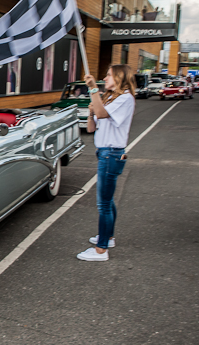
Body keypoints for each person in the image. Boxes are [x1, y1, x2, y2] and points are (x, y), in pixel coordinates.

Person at [77, 65, 136, 262]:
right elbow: (92, 128)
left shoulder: (125, 98)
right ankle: (108, 238)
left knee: (103, 203)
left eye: (109, 75)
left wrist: (93, 88)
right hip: (104, 152)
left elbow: (103, 115)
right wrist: (91, 112)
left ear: (120, 77)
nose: (105, 77)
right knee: (107, 200)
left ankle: (101, 250)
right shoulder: (110, 98)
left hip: (111, 154)